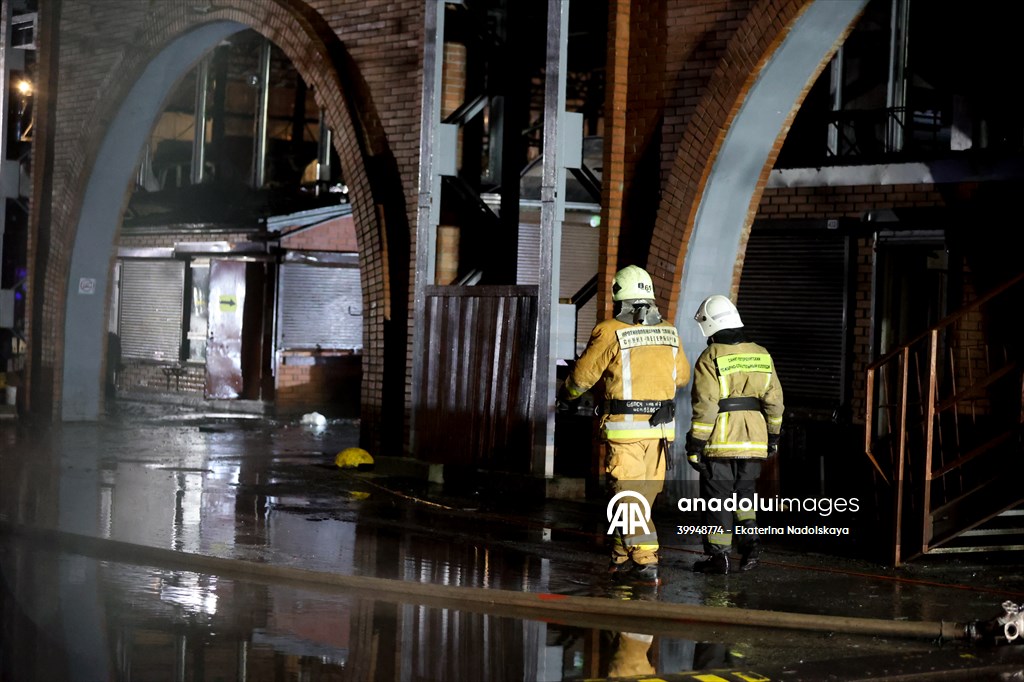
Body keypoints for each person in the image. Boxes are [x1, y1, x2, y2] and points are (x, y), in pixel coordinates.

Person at [558, 265, 691, 586]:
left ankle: (645, 558)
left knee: (628, 495)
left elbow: (582, 377)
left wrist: (568, 396)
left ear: (619, 295)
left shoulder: (609, 331)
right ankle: (620, 554)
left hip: (625, 431)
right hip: (661, 433)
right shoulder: (670, 332)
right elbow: (683, 377)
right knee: (640, 497)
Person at [686, 294, 784, 575]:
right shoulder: (762, 353)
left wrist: (695, 444)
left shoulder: (711, 356)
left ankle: (719, 557)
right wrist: (773, 436)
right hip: (755, 438)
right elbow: (775, 401)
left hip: (721, 440)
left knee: (718, 498)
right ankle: (751, 545)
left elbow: (705, 404)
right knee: (744, 495)